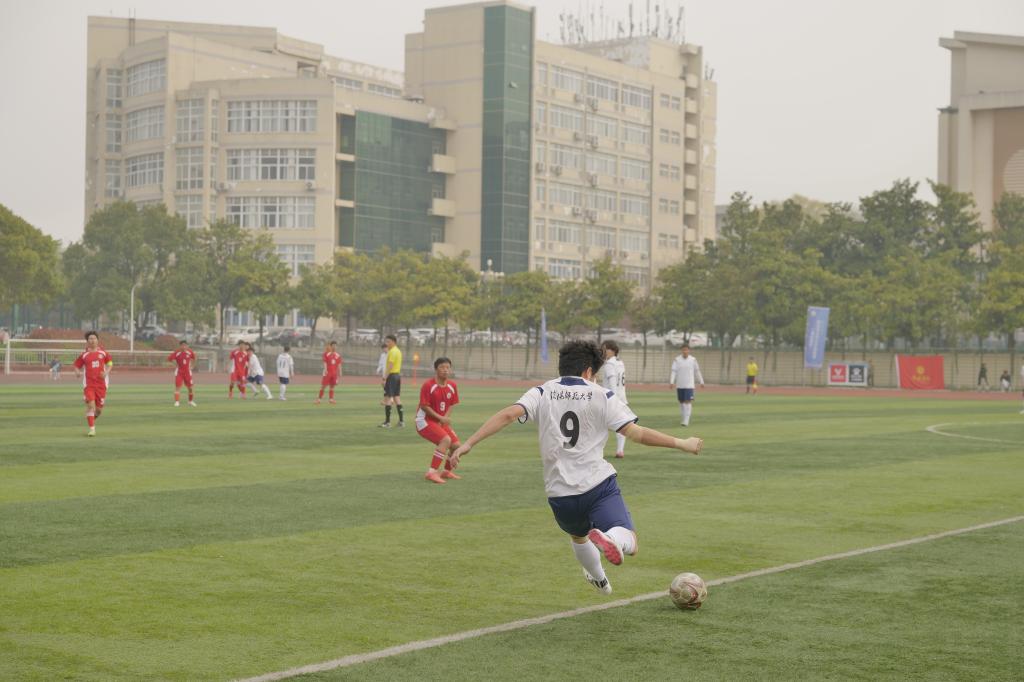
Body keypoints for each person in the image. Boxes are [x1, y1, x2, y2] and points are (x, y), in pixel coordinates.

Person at [448, 340, 703, 596]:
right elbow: (636, 433)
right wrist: (682, 443)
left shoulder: (542, 391)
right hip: (597, 485)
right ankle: (613, 539)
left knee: (578, 537)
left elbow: (508, 415)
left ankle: (600, 579)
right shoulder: (601, 394)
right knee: (630, 540)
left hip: (560, 494)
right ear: (588, 371)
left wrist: (468, 443)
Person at [417, 357, 462, 484]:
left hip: (438, 421)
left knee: (456, 446)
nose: (445, 370)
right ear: (436, 369)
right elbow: (424, 406)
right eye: (442, 367)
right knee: (445, 440)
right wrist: (441, 418)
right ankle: (431, 472)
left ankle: (446, 472)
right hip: (424, 421)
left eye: (448, 367)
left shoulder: (452, 386)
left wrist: (445, 418)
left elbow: (451, 404)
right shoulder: (428, 385)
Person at [73, 331, 113, 437]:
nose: (92, 340)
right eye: (90, 339)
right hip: (89, 385)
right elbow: (76, 365)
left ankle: (90, 418)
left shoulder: (103, 353)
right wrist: (77, 372)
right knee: (91, 406)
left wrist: (106, 372)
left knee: (98, 410)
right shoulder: (84, 355)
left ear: (97, 340)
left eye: (94, 338)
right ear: (87, 341)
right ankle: (92, 429)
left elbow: (110, 363)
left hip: (102, 385)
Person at [599, 340, 628, 459]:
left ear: (612, 350)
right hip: (622, 398)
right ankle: (620, 450)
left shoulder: (609, 365)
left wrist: (613, 399)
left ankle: (597, 451)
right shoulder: (620, 362)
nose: (603, 351)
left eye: (605, 349)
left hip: (611, 399)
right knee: (621, 425)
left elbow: (612, 383)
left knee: (600, 425)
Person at [670, 343, 705, 426]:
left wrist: (701, 381)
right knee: (681, 402)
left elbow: (697, 371)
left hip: (689, 385)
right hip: (680, 385)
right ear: (681, 350)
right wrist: (671, 382)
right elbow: (674, 371)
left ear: (689, 350)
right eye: (683, 350)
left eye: (686, 350)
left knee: (687, 402)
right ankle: (683, 418)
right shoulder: (677, 360)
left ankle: (686, 420)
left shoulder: (693, 360)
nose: (685, 351)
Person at [379, 334, 404, 427]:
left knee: (388, 397)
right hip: (397, 376)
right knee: (397, 398)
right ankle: (401, 421)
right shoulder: (398, 351)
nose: (387, 343)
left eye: (388, 341)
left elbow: (390, 365)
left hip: (392, 376)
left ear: (393, 342)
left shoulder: (392, 351)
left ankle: (387, 422)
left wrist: (384, 378)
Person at [167, 340, 197, 407]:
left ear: (187, 346)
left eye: (185, 345)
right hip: (179, 372)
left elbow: (194, 358)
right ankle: (177, 402)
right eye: (182, 345)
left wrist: (192, 366)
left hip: (187, 372)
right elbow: (169, 359)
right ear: (180, 346)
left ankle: (190, 401)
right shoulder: (177, 352)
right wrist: (175, 364)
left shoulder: (190, 352)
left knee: (190, 388)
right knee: (178, 387)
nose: (184, 347)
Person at [315, 341, 343, 405]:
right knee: (323, 386)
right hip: (328, 372)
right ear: (331, 346)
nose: (334, 347)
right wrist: (325, 369)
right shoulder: (326, 354)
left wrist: (340, 371)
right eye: (333, 345)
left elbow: (339, 364)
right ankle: (319, 400)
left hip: (334, 373)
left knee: (332, 387)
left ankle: (331, 400)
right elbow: (325, 362)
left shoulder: (338, 355)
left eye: (335, 346)